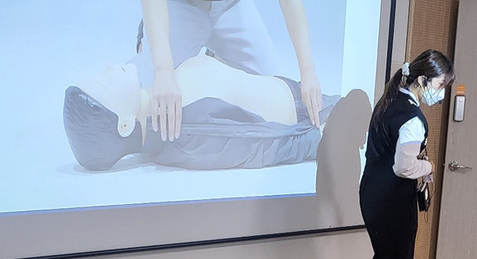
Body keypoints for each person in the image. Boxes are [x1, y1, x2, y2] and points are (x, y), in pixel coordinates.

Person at [63, 52, 341, 171]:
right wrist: (325, 135)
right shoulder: (184, 130)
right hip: (311, 113)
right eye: (103, 83)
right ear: (124, 125)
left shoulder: (172, 105)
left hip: (303, 100)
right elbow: (257, 145)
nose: (108, 68)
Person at [140, 0, 323, 143]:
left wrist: (308, 72)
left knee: (276, 103)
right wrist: (163, 71)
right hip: (179, 6)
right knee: (148, 102)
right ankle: (146, 33)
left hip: (231, 7)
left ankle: (217, 58)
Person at [359, 49, 454, 259]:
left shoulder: (390, 101)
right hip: (392, 201)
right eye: (441, 85)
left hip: (372, 194)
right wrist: (429, 166)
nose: (441, 95)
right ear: (423, 80)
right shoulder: (412, 118)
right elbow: (404, 167)